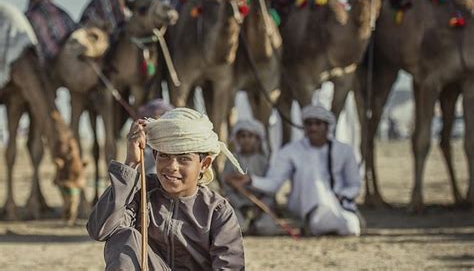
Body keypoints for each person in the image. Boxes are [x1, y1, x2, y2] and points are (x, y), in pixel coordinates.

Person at [87, 107, 245, 270]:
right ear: (155, 156)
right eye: (164, 156)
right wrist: (131, 163)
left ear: (204, 164)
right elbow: (101, 230)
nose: (172, 166)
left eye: (184, 158)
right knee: (125, 236)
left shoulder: (217, 210)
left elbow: (230, 266)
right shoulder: (140, 192)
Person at [226, 104, 362, 236]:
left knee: (350, 227)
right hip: (306, 203)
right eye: (309, 123)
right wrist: (251, 180)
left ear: (327, 126)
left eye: (318, 123)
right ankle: (315, 221)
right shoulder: (291, 151)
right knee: (311, 172)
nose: (313, 127)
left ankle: (328, 221)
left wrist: (341, 195)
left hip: (339, 202)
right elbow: (273, 183)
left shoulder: (344, 150)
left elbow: (354, 185)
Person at [221, 119, 281, 235]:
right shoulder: (232, 160)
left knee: (267, 229)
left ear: (257, 139)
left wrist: (260, 207)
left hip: (260, 206)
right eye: (242, 136)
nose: (246, 140)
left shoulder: (264, 161)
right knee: (237, 228)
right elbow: (227, 187)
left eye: (250, 136)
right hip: (239, 206)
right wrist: (240, 205)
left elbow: (270, 189)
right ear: (237, 139)